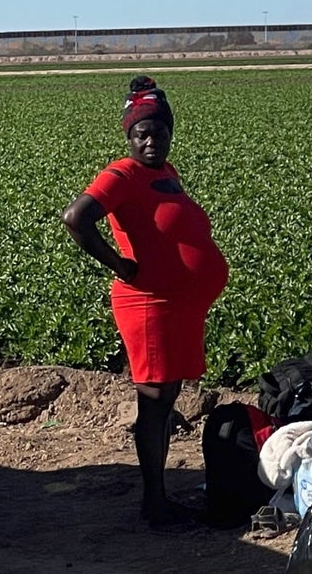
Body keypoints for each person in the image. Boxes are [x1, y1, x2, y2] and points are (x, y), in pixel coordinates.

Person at [62, 76, 229, 528]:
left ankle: (158, 496)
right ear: (129, 137)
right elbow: (76, 218)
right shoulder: (122, 174)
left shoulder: (166, 173)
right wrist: (118, 264)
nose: (153, 141)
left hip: (177, 306)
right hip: (149, 304)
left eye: (161, 132)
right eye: (143, 134)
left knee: (166, 396)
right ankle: (154, 503)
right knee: (153, 402)